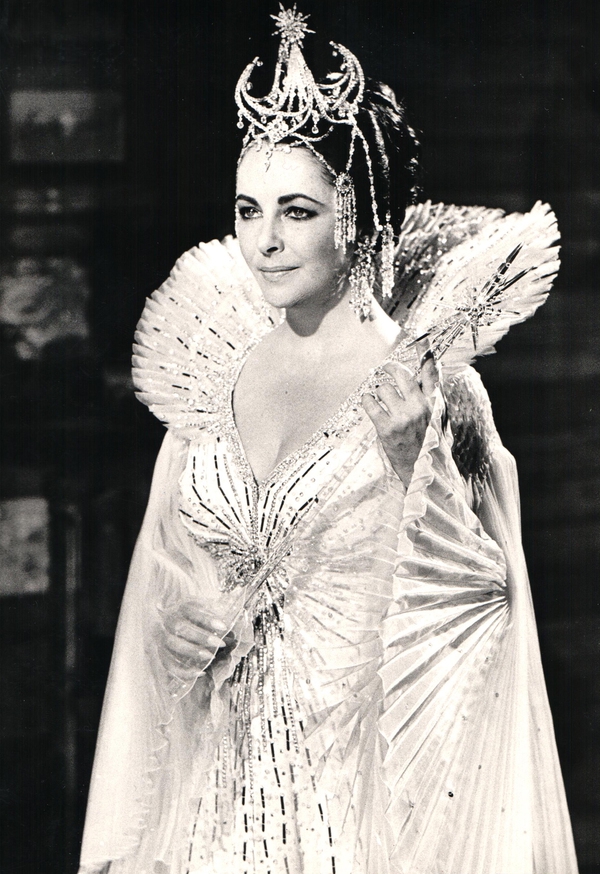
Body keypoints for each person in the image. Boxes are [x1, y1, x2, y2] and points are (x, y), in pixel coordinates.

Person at [79, 8, 578, 874]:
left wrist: (413, 466)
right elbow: (167, 569)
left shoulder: (431, 387)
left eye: (297, 211)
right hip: (216, 789)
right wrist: (179, 623)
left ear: (357, 214)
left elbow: (491, 609)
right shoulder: (214, 373)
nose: (265, 241)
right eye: (248, 210)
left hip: (359, 784)